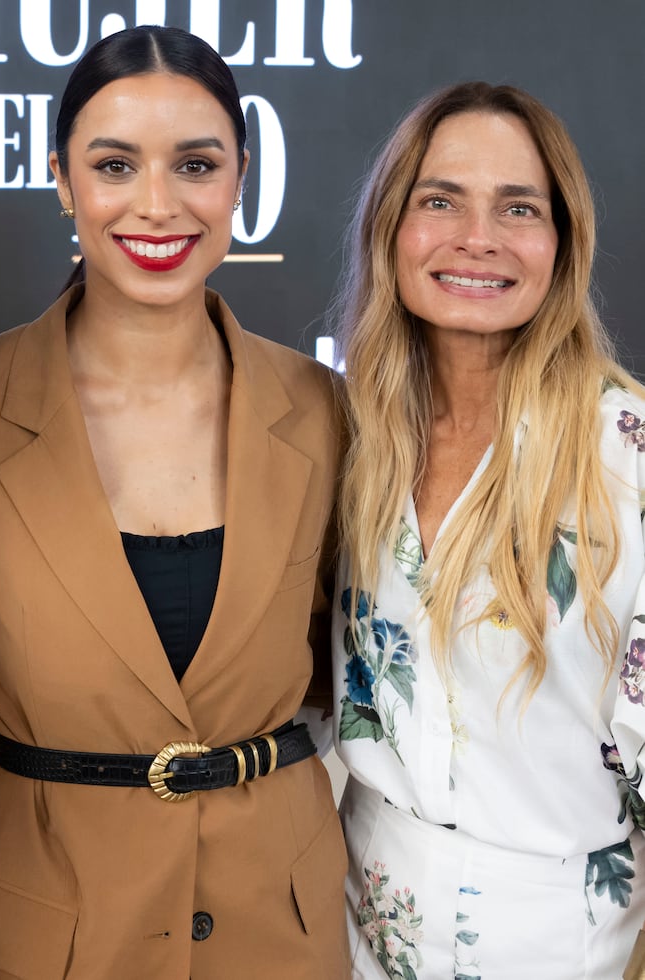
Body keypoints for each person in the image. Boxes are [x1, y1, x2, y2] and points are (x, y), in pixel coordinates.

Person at [0, 25, 349, 979]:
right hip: (36, 921)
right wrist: (66, 759)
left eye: (195, 163)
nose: (157, 204)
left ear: (240, 178)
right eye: (114, 164)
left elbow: (339, 660)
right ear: (62, 178)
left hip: (280, 921)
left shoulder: (326, 410)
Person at [332, 80, 645, 978]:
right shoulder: (350, 438)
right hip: (358, 927)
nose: (480, 237)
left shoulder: (625, 458)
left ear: (562, 242)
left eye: (519, 207)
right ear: (392, 227)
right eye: (441, 201)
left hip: (559, 946)